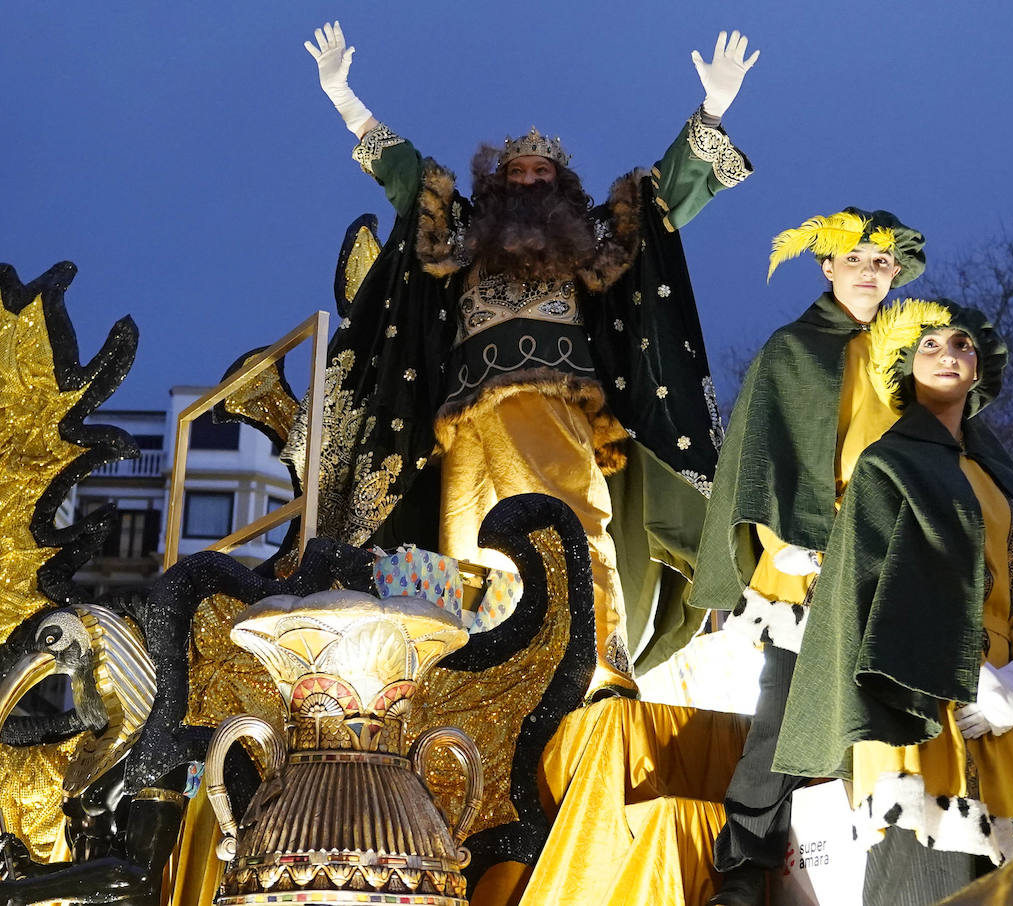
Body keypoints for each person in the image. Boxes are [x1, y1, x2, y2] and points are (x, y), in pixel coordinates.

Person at [294, 22, 758, 695]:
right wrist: (345, 100)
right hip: (465, 419)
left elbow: (660, 204)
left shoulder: (596, 237)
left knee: (571, 528)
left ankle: (595, 667)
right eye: (517, 174)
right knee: (468, 543)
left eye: (543, 174)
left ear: (564, 187)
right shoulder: (459, 234)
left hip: (560, 412)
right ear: (495, 186)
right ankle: (474, 675)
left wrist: (712, 111)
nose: (530, 181)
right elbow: (407, 178)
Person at [771, 299, 1013, 906]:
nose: (948, 355)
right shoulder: (886, 465)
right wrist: (966, 675)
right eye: (929, 345)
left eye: (961, 344)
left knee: (1005, 891)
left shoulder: (1003, 479)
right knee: (921, 885)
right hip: (913, 710)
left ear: (980, 368)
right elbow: (870, 592)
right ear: (904, 367)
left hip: (1002, 717)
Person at [694, 208, 926, 904]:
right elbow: (763, 451)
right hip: (807, 567)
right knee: (782, 719)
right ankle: (742, 868)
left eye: (881, 262)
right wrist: (777, 537)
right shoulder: (791, 349)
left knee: (881, 721)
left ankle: (879, 869)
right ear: (827, 268)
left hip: (886, 572)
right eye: (854, 259)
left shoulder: (910, 353)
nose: (868, 271)